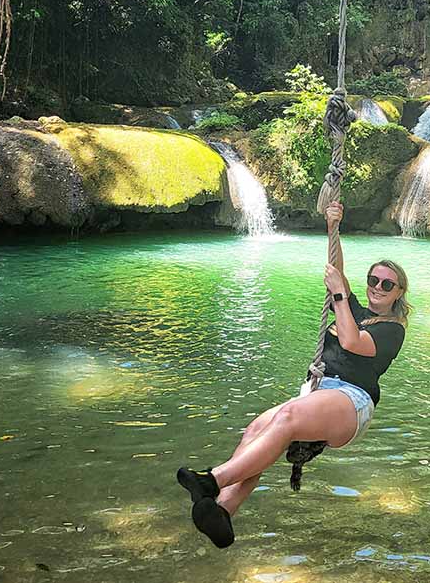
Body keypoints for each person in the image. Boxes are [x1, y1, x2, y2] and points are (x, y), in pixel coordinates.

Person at [176, 201, 411, 548]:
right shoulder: (356, 308)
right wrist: (335, 227)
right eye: (373, 279)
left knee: (286, 417)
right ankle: (224, 512)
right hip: (319, 392)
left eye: (387, 284)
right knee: (257, 430)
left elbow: (350, 338)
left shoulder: (393, 329)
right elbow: (337, 271)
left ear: (399, 292)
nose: (378, 286)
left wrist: (340, 295)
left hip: (352, 401)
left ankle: (213, 480)